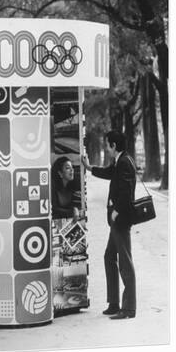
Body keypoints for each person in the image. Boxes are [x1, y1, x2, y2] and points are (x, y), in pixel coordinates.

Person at [81, 131, 137, 320]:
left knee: (125, 263)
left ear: (113, 145)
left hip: (121, 219)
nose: (106, 147)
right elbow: (109, 173)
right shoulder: (120, 161)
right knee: (109, 257)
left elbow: (127, 192)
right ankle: (114, 303)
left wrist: (116, 210)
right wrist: (89, 167)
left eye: (107, 145)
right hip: (117, 219)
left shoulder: (125, 163)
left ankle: (128, 308)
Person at [51, 156, 81, 221]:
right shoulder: (52, 187)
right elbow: (54, 209)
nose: (72, 170)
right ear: (60, 173)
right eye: (68, 168)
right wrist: (72, 212)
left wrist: (74, 209)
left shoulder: (71, 186)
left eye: (72, 167)